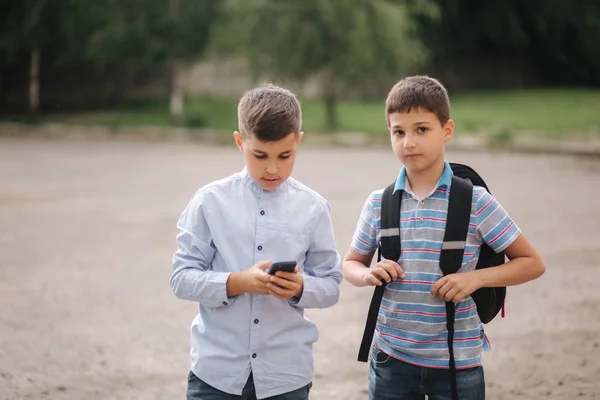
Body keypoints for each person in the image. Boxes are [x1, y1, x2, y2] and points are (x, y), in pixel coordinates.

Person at [342, 75, 546, 400]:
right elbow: (351, 263)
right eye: (399, 132)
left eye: (421, 129)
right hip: (390, 358)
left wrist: (476, 279)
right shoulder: (379, 203)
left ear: (447, 130)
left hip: (458, 362)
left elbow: (532, 263)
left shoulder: (476, 202)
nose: (408, 142)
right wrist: (367, 274)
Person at [171, 84, 342, 400]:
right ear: (239, 142)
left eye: (285, 155)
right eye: (259, 155)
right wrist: (237, 282)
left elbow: (331, 285)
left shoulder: (314, 207)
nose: (272, 168)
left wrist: (301, 287)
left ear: (298, 141)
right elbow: (180, 278)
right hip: (216, 376)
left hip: (286, 377)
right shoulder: (209, 201)